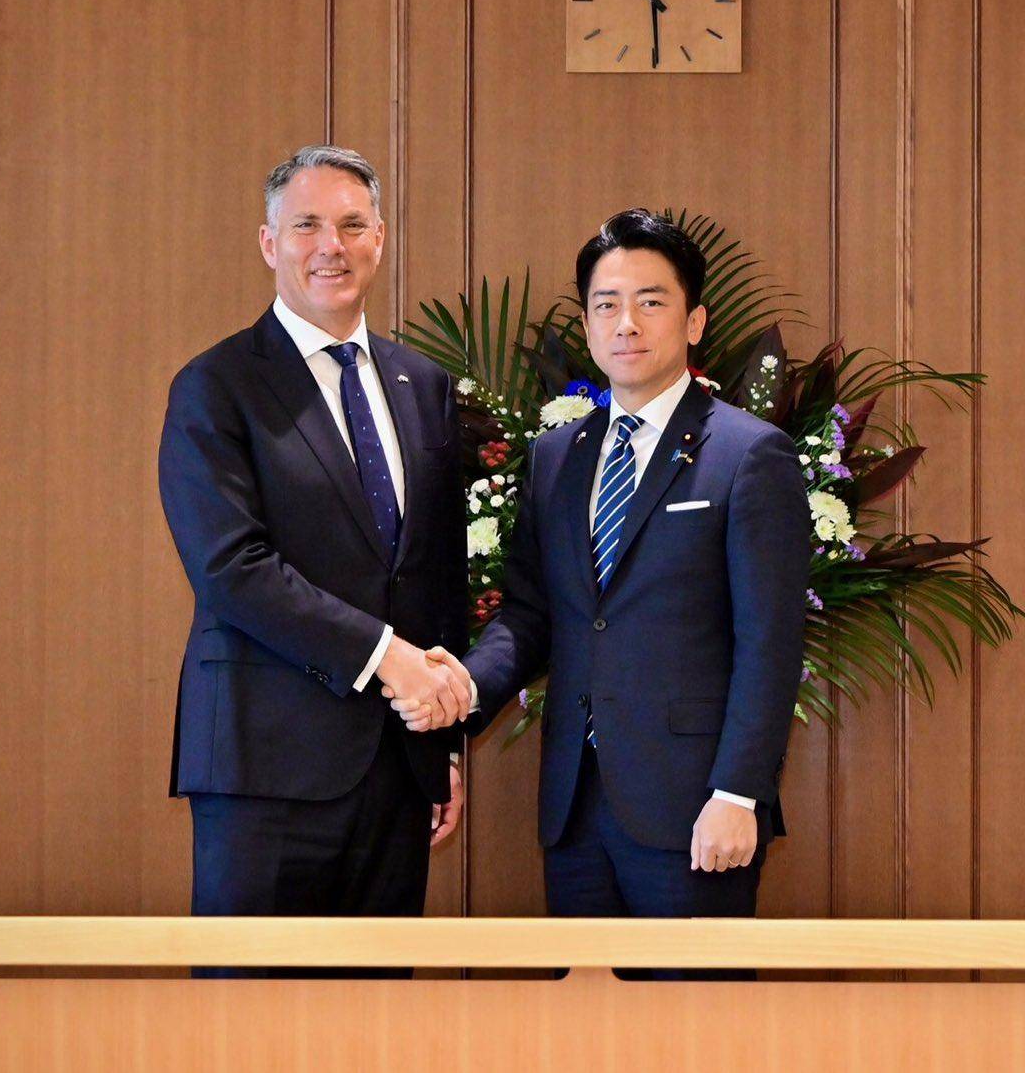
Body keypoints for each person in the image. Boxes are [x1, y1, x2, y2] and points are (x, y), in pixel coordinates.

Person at [404, 209, 808, 956]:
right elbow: (531, 614)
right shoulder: (556, 455)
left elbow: (771, 644)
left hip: (695, 807)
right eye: (606, 304)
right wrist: (460, 687)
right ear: (588, 324)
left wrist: (738, 793)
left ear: (694, 321)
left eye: (651, 301)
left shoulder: (750, 455)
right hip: (575, 808)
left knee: (696, 1016)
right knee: (586, 1015)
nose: (627, 323)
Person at [158, 145, 470, 957]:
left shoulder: (424, 386)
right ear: (270, 244)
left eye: (352, 225)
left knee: (375, 1014)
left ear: (380, 240)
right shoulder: (216, 385)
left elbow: (435, 573)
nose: (331, 245)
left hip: (397, 774)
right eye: (306, 226)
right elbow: (231, 570)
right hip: (265, 773)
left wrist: (438, 746)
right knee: (253, 1015)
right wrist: (387, 657)